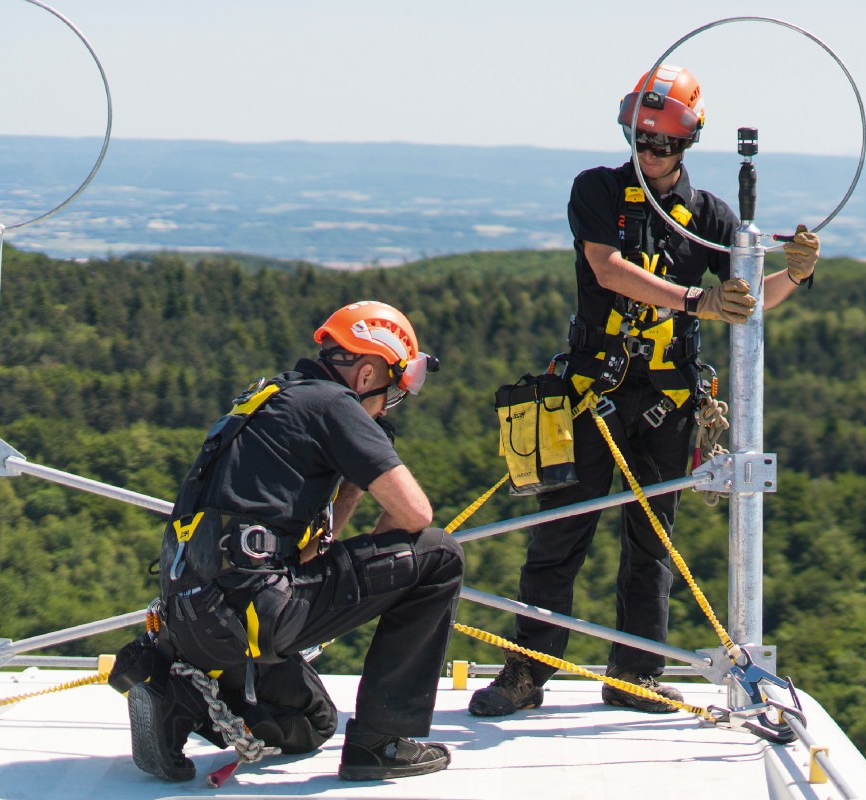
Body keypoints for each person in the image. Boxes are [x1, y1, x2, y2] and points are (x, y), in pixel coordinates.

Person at [469, 65, 820, 717]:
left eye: (663, 144)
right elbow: (609, 270)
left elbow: (746, 305)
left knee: (651, 544)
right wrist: (697, 299)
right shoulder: (597, 191)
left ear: (685, 146)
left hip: (666, 405)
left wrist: (793, 276)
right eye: (642, 139)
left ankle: (635, 674)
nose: (651, 153)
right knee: (558, 535)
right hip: (590, 392)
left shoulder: (709, 214)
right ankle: (527, 672)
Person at [127, 300, 465, 782]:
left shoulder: (269, 396)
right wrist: (383, 557)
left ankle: (182, 702)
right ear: (367, 374)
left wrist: (355, 475)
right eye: (387, 396)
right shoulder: (335, 403)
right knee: (439, 555)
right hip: (252, 610)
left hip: (190, 617)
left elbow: (306, 554)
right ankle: (380, 743)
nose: (383, 410)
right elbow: (416, 514)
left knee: (313, 723)